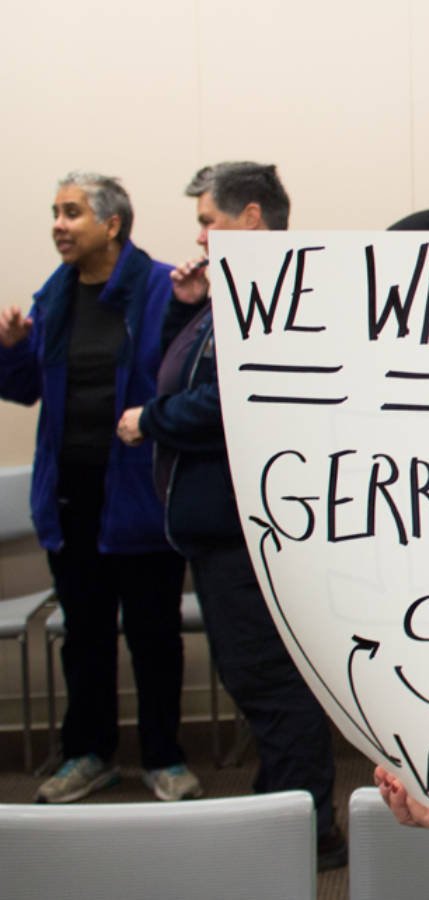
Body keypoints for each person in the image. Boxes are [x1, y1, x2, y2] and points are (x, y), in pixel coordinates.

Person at [115, 162, 346, 870]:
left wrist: (148, 421)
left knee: (272, 682)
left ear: (250, 218)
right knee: (258, 680)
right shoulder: (234, 292)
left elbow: (233, 403)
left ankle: (307, 829)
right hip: (221, 530)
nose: (199, 233)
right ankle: (281, 804)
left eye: (208, 219)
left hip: (249, 532)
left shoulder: (274, 291)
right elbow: (193, 373)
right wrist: (188, 308)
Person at [0, 172, 198, 803]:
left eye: (72, 213)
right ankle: (89, 753)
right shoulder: (52, 297)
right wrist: (9, 349)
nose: (58, 224)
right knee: (84, 637)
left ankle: (164, 757)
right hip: (70, 498)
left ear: (112, 225)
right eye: (55, 212)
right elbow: (26, 387)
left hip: (140, 497)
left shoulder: (165, 291)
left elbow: (183, 383)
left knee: (153, 636)